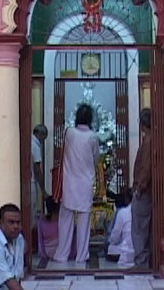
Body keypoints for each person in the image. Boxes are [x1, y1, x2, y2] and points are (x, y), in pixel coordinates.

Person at [53, 103, 99, 263]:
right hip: (86, 183)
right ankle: (81, 256)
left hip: (69, 183)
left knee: (65, 220)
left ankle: (62, 255)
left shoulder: (69, 133)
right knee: (84, 223)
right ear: (91, 119)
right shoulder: (93, 137)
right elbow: (96, 158)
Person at [131, 108, 152, 268]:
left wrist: (139, 187)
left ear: (143, 125)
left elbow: (146, 167)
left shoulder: (149, 142)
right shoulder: (150, 140)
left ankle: (141, 261)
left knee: (139, 227)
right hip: (147, 190)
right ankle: (144, 259)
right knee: (143, 226)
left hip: (144, 191)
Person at [106, 188, 134, 268]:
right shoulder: (142, 212)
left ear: (126, 199)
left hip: (123, 250)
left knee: (107, 245)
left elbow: (115, 237)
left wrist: (111, 241)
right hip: (139, 252)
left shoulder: (122, 212)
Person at [31, 124, 48, 227]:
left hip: (29, 181)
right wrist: (43, 191)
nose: (43, 141)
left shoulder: (29, 142)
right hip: (32, 182)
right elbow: (37, 170)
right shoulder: (35, 146)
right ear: (40, 134)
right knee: (31, 213)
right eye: (43, 138)